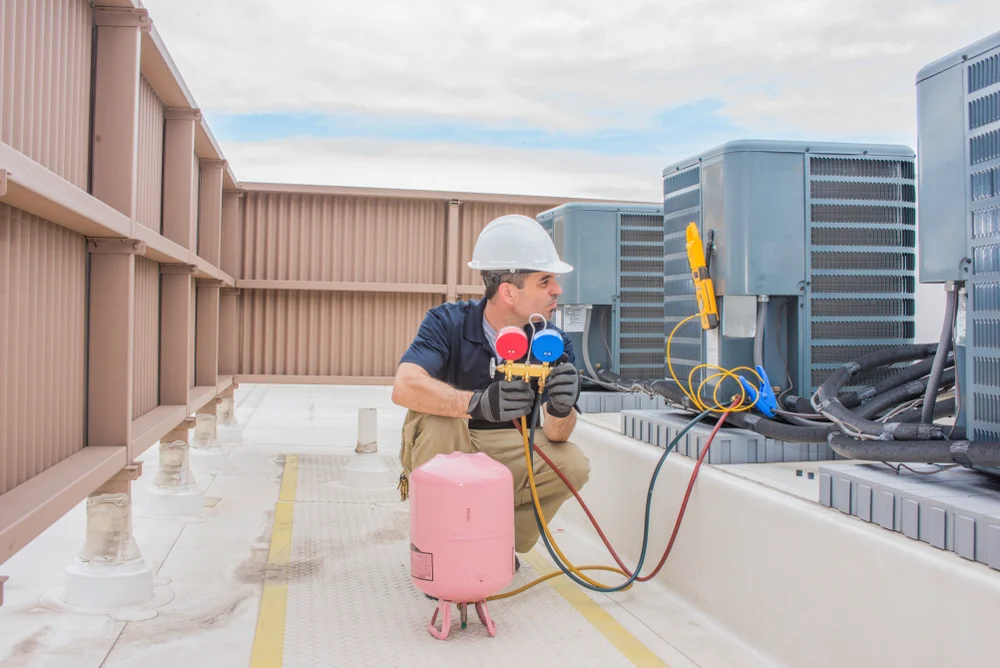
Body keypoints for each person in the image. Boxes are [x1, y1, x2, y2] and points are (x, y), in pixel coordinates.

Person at [392, 214, 590, 561]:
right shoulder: (447, 322)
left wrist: (561, 408)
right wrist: (477, 404)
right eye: (545, 281)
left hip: (507, 446)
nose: (557, 290)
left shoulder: (552, 342)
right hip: (450, 440)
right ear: (509, 292)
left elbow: (557, 436)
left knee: (572, 463)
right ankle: (441, 552)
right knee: (441, 424)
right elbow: (405, 386)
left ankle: (497, 545)